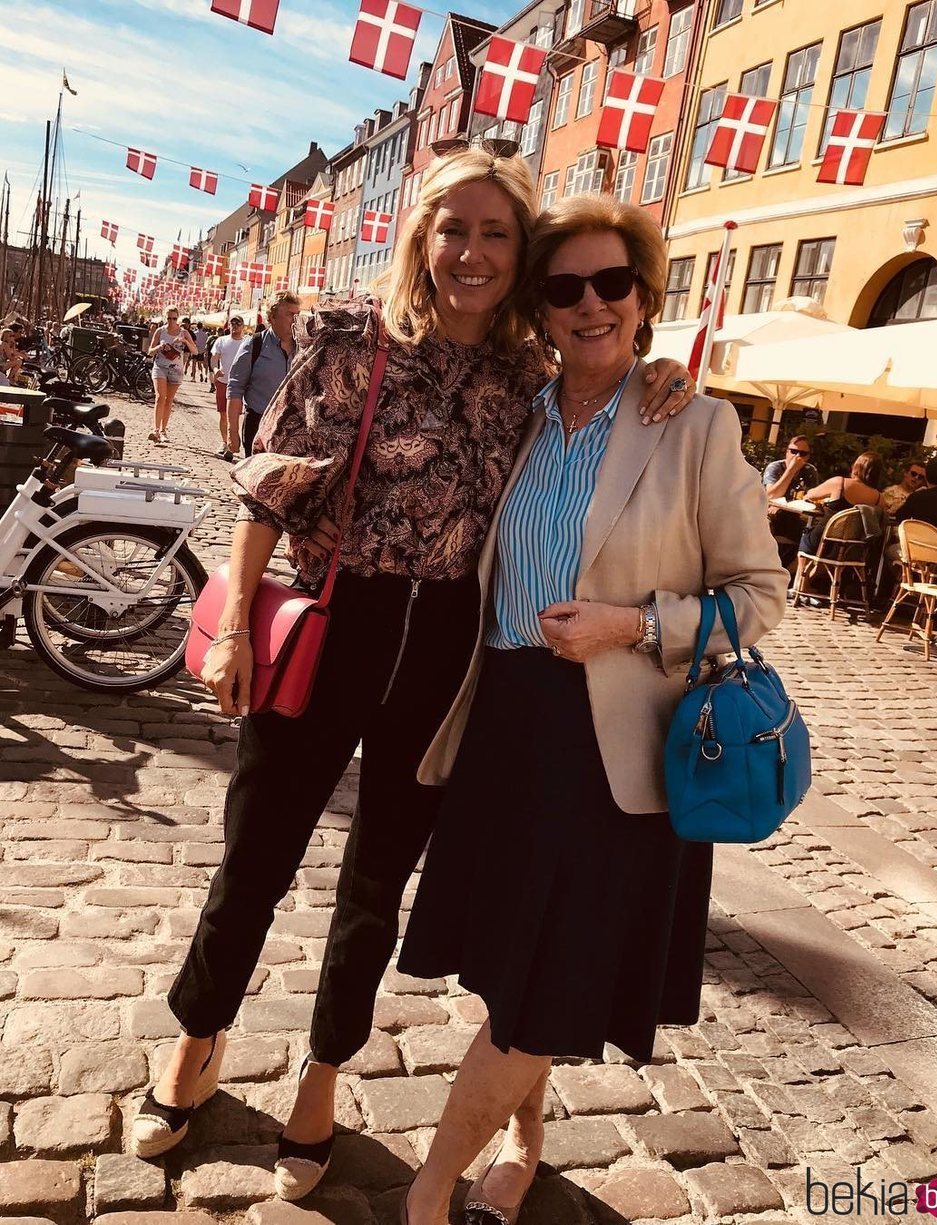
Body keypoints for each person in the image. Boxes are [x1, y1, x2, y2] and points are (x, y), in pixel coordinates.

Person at [130, 147, 696, 1201]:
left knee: (374, 886)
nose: (472, 253)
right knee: (253, 859)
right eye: (454, 230)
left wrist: (660, 373)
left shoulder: (526, 378)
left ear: (515, 252)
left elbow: (605, 389)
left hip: (445, 654)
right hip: (332, 623)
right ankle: (197, 1039)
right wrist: (231, 630)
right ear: (420, 238)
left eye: (494, 235)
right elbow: (270, 488)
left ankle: (322, 1071)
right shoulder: (353, 339)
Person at [395, 194, 787, 1225]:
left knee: (538, 982)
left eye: (609, 283)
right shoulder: (522, 418)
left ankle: (427, 1191)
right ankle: (518, 1152)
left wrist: (632, 623)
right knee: (509, 968)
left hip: (612, 749)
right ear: (540, 306)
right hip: (509, 724)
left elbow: (759, 598)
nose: (588, 304)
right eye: (563, 288)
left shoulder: (694, 423)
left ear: (643, 297)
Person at [227, 291, 301, 457]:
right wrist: (232, 431)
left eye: (297, 314)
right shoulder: (255, 344)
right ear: (272, 317)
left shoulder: (304, 347)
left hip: (292, 428)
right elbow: (235, 388)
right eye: (290, 314)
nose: (295, 320)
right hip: (258, 424)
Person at [799, 450, 885, 555]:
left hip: (824, 541)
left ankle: (795, 569)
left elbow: (810, 495)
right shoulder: (879, 498)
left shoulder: (840, 483)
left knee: (803, 532)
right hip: (852, 549)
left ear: (856, 467)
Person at [764, 436, 820, 569]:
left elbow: (812, 498)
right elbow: (771, 495)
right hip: (772, 514)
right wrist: (790, 471)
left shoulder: (810, 471)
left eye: (803, 453)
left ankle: (792, 574)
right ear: (787, 452)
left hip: (796, 516)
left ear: (808, 457)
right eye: (794, 451)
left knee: (814, 537)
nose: (797, 456)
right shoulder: (775, 467)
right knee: (765, 525)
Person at [147, 307, 197, 443]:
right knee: (160, 397)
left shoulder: (184, 332)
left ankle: (163, 430)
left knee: (169, 400)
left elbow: (195, 351)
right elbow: (150, 351)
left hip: (176, 370)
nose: (171, 321)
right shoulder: (160, 331)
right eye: (169, 318)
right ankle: (156, 430)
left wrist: (185, 341)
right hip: (160, 367)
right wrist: (159, 347)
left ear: (178, 318)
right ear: (165, 318)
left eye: (174, 318)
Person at [211, 317, 247, 461]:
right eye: (232, 323)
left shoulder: (246, 342)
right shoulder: (221, 341)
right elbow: (214, 358)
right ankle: (225, 442)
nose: (235, 326)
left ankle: (233, 440)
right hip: (223, 381)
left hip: (239, 383)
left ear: (243, 326)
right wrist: (215, 370)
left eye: (238, 324)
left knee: (235, 415)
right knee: (223, 414)